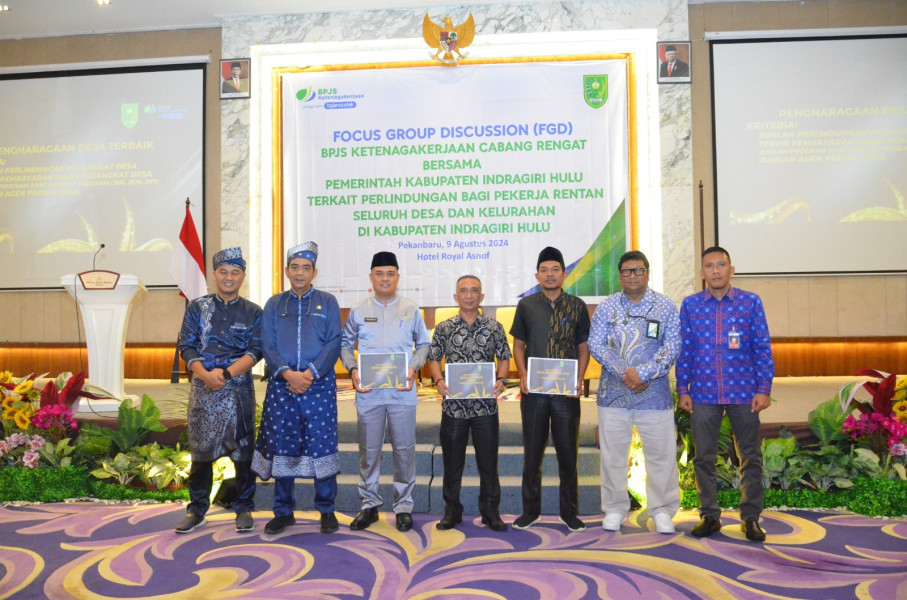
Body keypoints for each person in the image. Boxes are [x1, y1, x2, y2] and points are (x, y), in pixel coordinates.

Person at [676, 246, 774, 542]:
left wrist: (764, 388)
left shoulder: (750, 302)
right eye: (710, 266)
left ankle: (751, 518)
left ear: (731, 269)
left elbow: (762, 346)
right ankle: (710, 516)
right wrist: (683, 388)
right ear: (702, 272)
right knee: (703, 457)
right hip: (704, 392)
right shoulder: (691, 305)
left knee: (750, 457)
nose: (716, 270)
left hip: (744, 392)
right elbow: (686, 351)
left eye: (722, 265)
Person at [251, 242, 343, 535]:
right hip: (283, 385)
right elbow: (268, 344)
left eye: (306, 268)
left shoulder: (327, 302)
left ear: (314, 272)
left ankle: (326, 510)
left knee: (322, 446)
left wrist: (310, 374)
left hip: (319, 387)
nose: (300, 273)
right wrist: (290, 375)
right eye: (295, 267)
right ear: (287, 271)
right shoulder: (274, 304)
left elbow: (333, 344)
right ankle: (283, 511)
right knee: (284, 445)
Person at [588, 250, 681, 534]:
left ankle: (662, 511)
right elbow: (596, 344)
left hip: (654, 395)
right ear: (619, 276)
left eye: (638, 270)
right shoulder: (607, 307)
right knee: (614, 456)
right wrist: (625, 373)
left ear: (647, 273)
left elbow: (672, 346)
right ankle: (615, 509)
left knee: (661, 456)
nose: (633, 276)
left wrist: (642, 374)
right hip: (614, 395)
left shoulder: (664, 306)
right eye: (627, 271)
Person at [341, 251, 431, 532]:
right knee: (369, 452)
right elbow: (345, 345)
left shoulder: (411, 308)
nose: (385, 278)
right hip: (369, 393)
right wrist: (354, 370)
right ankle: (369, 505)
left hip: (402, 392)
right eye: (379, 273)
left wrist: (414, 367)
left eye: (390, 273)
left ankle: (403, 506)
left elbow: (424, 346)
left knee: (404, 451)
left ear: (397, 278)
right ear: (371, 277)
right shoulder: (358, 310)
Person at [175, 247, 263, 534]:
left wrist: (225, 374)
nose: (228, 277)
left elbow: (256, 350)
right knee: (200, 454)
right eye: (223, 272)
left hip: (237, 392)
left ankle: (243, 508)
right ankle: (197, 509)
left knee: (243, 455)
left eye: (234, 273)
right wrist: (204, 375)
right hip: (203, 391)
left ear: (243, 277)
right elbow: (186, 345)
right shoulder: (196, 307)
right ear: (214, 274)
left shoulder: (253, 312)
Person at [510, 246, 591, 532]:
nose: (549, 274)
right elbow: (518, 345)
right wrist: (522, 375)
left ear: (564, 274)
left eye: (555, 269)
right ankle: (530, 512)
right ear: (537, 275)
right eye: (544, 270)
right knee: (533, 453)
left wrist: (578, 379)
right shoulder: (527, 306)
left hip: (566, 394)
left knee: (568, 454)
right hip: (534, 393)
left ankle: (569, 512)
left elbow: (583, 347)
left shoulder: (577, 306)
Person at [429, 275, 512, 532]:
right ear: (455, 297)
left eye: (474, 290)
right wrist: (439, 379)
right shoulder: (443, 328)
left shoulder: (495, 327)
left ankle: (491, 512)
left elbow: (504, 357)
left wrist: (502, 379)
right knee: (451, 463)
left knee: (488, 463)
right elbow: (434, 358)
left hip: (485, 406)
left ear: (481, 297)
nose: (468, 295)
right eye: (463, 291)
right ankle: (452, 512)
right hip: (454, 407)